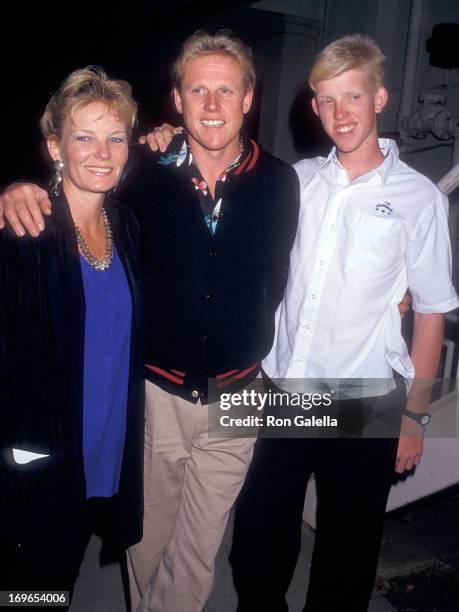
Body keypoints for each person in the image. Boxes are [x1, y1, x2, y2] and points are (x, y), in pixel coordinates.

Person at [0, 31, 300, 612]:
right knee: (127, 544)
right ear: (177, 99)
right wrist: (15, 187)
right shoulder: (139, 177)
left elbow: (285, 277)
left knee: (196, 552)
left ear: (248, 98)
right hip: (141, 402)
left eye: (225, 90)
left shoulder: (280, 183)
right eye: (197, 90)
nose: (212, 104)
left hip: (238, 395)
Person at [228, 34, 459, 612]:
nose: (340, 114)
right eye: (326, 100)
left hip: (368, 398)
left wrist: (415, 416)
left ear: (379, 98)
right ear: (314, 106)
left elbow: (430, 312)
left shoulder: (419, 198)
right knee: (256, 544)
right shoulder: (295, 182)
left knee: (346, 557)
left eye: (352, 97)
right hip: (285, 391)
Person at [0, 67, 144, 604]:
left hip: (100, 449)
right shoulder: (25, 227)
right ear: (54, 146)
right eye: (83, 136)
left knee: (61, 577)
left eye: (115, 138)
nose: (102, 152)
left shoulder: (126, 226)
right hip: (38, 454)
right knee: (29, 589)